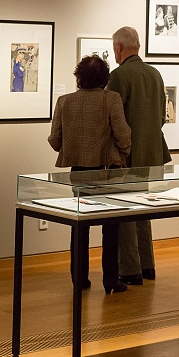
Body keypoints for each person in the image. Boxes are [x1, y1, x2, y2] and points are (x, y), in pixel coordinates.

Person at [48, 55, 132, 294]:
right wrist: (124, 151)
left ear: (79, 77)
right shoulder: (111, 99)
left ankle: (79, 279)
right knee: (111, 227)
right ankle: (111, 280)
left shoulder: (64, 102)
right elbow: (123, 135)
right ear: (105, 78)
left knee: (79, 226)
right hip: (108, 171)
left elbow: (55, 141)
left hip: (79, 172)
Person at [107, 26, 171, 285]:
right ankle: (148, 266)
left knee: (125, 213)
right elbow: (161, 117)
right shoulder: (155, 74)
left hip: (128, 156)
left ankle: (131, 270)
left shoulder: (120, 76)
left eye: (114, 48)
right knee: (143, 211)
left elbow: (114, 119)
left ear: (120, 48)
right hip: (152, 154)